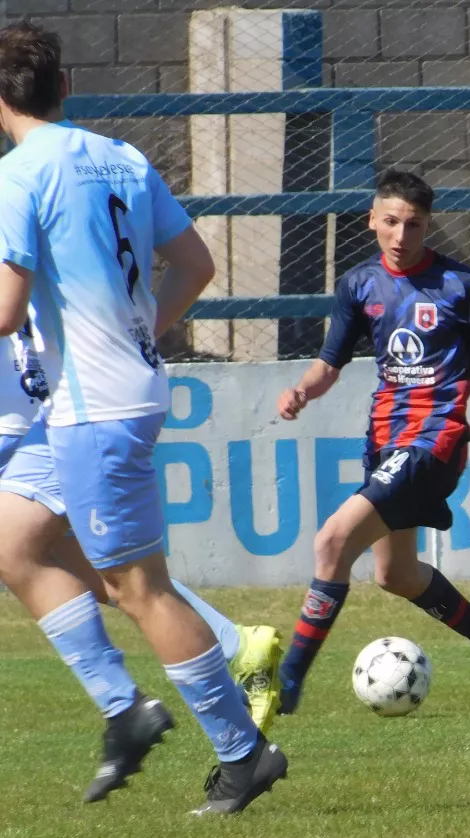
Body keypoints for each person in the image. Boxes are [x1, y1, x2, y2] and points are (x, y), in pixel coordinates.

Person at [0, 21, 286, 814]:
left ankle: (243, 755)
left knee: (139, 589)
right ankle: (123, 712)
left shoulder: (20, 176)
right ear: (64, 89)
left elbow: (5, 310)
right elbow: (196, 264)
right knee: (13, 540)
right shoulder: (121, 157)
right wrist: (139, 334)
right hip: (103, 398)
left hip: (95, 410)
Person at [0, 324, 286, 802]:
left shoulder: (42, 249)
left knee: (118, 577)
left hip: (52, 418)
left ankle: (146, 706)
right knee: (102, 573)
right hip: (70, 407)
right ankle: (228, 665)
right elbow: (193, 264)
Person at [275, 168, 470, 714]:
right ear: (372, 222)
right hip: (385, 442)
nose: (401, 235)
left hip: (436, 442)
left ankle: (287, 679)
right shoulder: (360, 285)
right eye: (391, 222)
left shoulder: (463, 287)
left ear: (427, 225)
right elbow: (328, 365)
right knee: (396, 574)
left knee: (332, 542)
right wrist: (302, 391)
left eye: (413, 224)